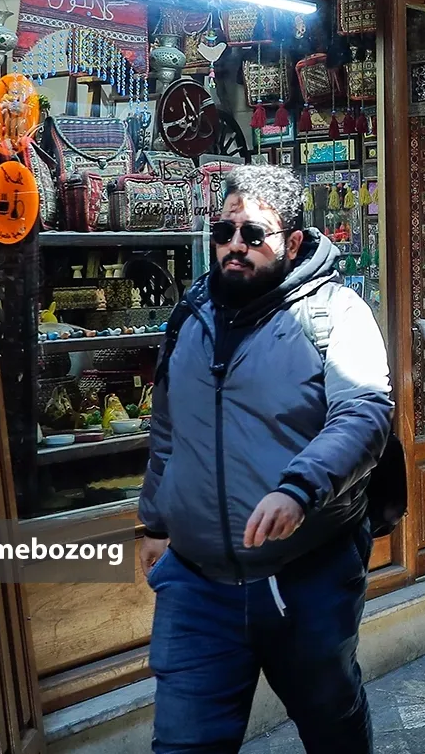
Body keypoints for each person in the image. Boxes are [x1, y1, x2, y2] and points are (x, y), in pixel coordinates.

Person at [138, 165, 393, 754]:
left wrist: (298, 488)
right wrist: (155, 522)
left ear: (292, 242)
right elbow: (169, 429)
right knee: (183, 745)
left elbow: (364, 413)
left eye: (253, 234)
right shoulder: (191, 317)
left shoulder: (334, 313)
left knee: (330, 722)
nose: (235, 246)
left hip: (305, 576)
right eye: (223, 232)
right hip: (196, 583)